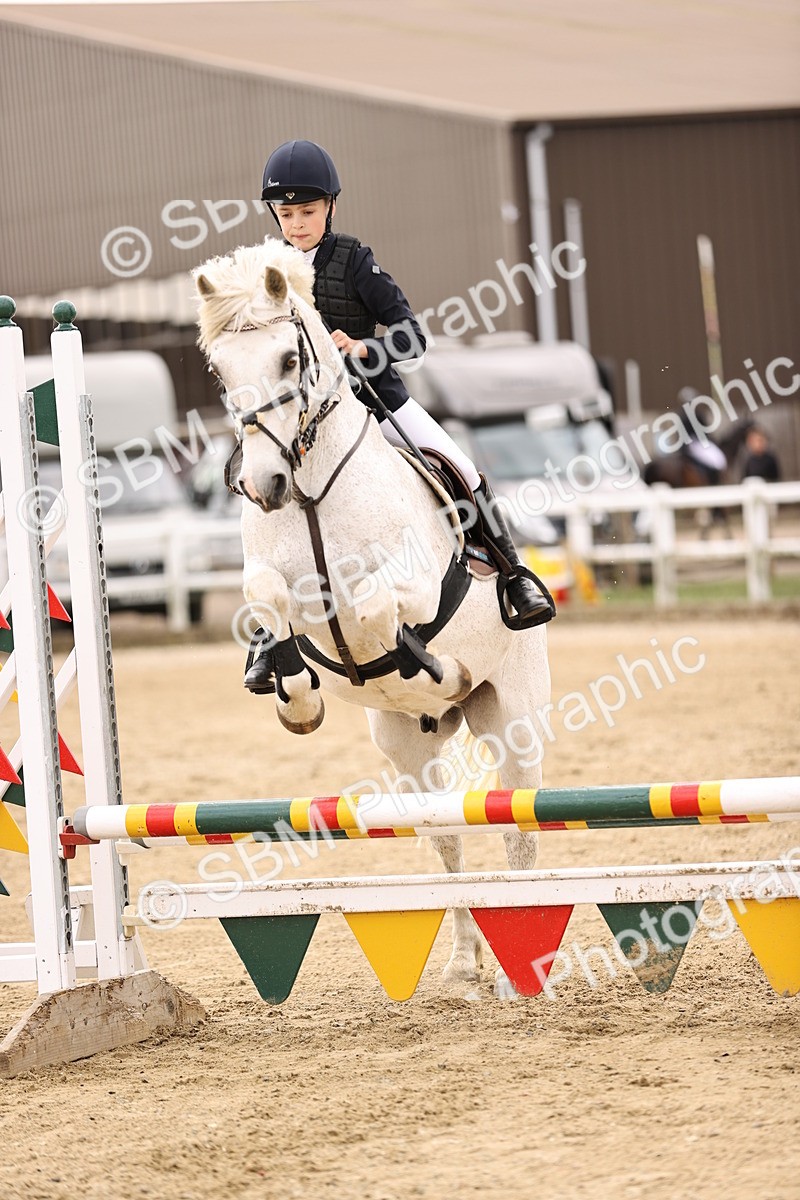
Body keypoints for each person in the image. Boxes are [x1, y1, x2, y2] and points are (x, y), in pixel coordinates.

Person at [243, 140, 551, 692]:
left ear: (330, 208)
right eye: (286, 214)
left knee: (461, 466)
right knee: (256, 487)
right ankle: (267, 639)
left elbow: (412, 336)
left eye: (307, 212)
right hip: (297, 419)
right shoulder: (265, 273)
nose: (297, 224)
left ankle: (514, 578)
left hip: (375, 401)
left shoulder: (355, 260)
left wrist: (362, 347)